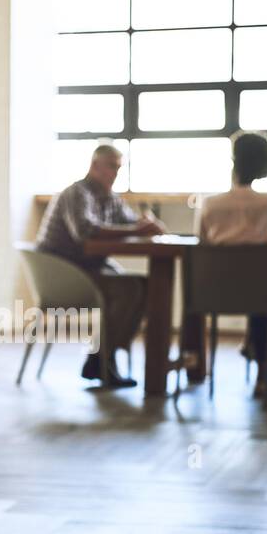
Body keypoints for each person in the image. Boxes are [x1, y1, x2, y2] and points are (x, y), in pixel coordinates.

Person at [36, 144, 166, 388]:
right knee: (130, 290)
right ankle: (101, 359)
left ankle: (102, 358)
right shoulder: (77, 193)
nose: (115, 173)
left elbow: (131, 223)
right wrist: (137, 229)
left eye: (118, 168)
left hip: (87, 268)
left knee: (144, 287)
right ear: (95, 166)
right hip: (64, 272)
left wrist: (146, 224)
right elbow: (85, 232)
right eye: (111, 167)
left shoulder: (109, 198)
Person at [198, 132, 267, 401]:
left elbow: (202, 243)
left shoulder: (208, 203)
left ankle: (192, 365)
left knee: (254, 288)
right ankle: (264, 377)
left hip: (213, 292)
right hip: (261, 294)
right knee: (265, 291)